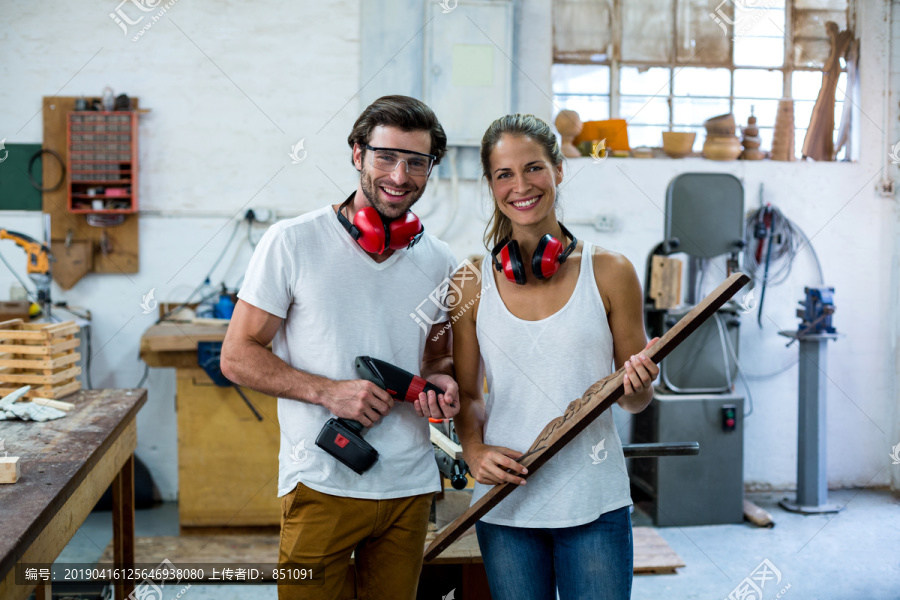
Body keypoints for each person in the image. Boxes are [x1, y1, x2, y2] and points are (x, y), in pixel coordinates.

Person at [221, 95, 460, 600]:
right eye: (385, 156)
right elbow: (238, 356)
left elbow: (438, 358)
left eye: (417, 162)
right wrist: (329, 392)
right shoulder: (292, 242)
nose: (400, 175)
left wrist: (442, 382)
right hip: (321, 483)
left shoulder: (441, 261)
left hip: (409, 487)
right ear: (357, 155)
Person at [450, 114, 660, 600]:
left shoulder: (610, 272)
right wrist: (474, 449)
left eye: (534, 168)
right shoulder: (470, 282)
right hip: (507, 506)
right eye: (504, 174)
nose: (520, 185)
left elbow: (634, 402)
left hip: (595, 501)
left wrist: (641, 383)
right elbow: (465, 392)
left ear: (559, 170)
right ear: (490, 184)